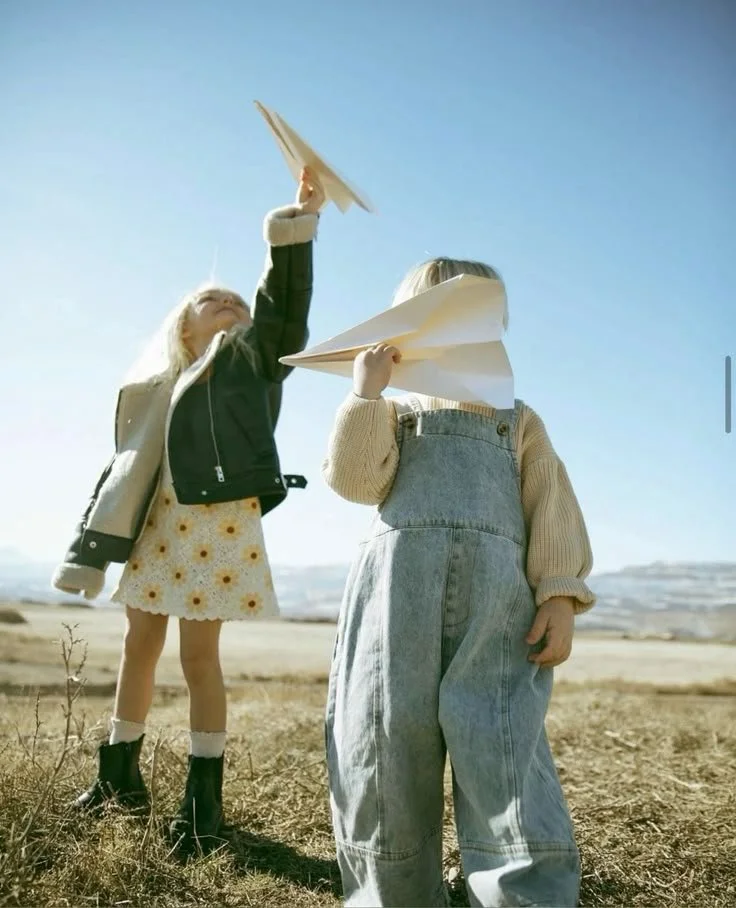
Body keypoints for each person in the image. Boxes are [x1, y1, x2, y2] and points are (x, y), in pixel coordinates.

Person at [52, 168, 326, 856]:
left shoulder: (251, 360)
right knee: (136, 647)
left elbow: (284, 309)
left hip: (217, 523)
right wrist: (86, 548)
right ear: (182, 322)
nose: (230, 303)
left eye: (237, 300)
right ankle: (118, 779)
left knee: (200, 658)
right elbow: (119, 474)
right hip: (155, 526)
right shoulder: (154, 387)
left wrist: (293, 230)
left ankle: (202, 806)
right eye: (213, 299)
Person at [321, 257, 596, 907]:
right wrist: (365, 395)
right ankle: (391, 892)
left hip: (499, 608)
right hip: (394, 604)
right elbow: (357, 482)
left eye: (480, 320)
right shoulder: (396, 413)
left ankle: (522, 890)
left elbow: (551, 507)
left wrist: (558, 595)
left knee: (501, 741)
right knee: (385, 742)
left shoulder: (516, 420)